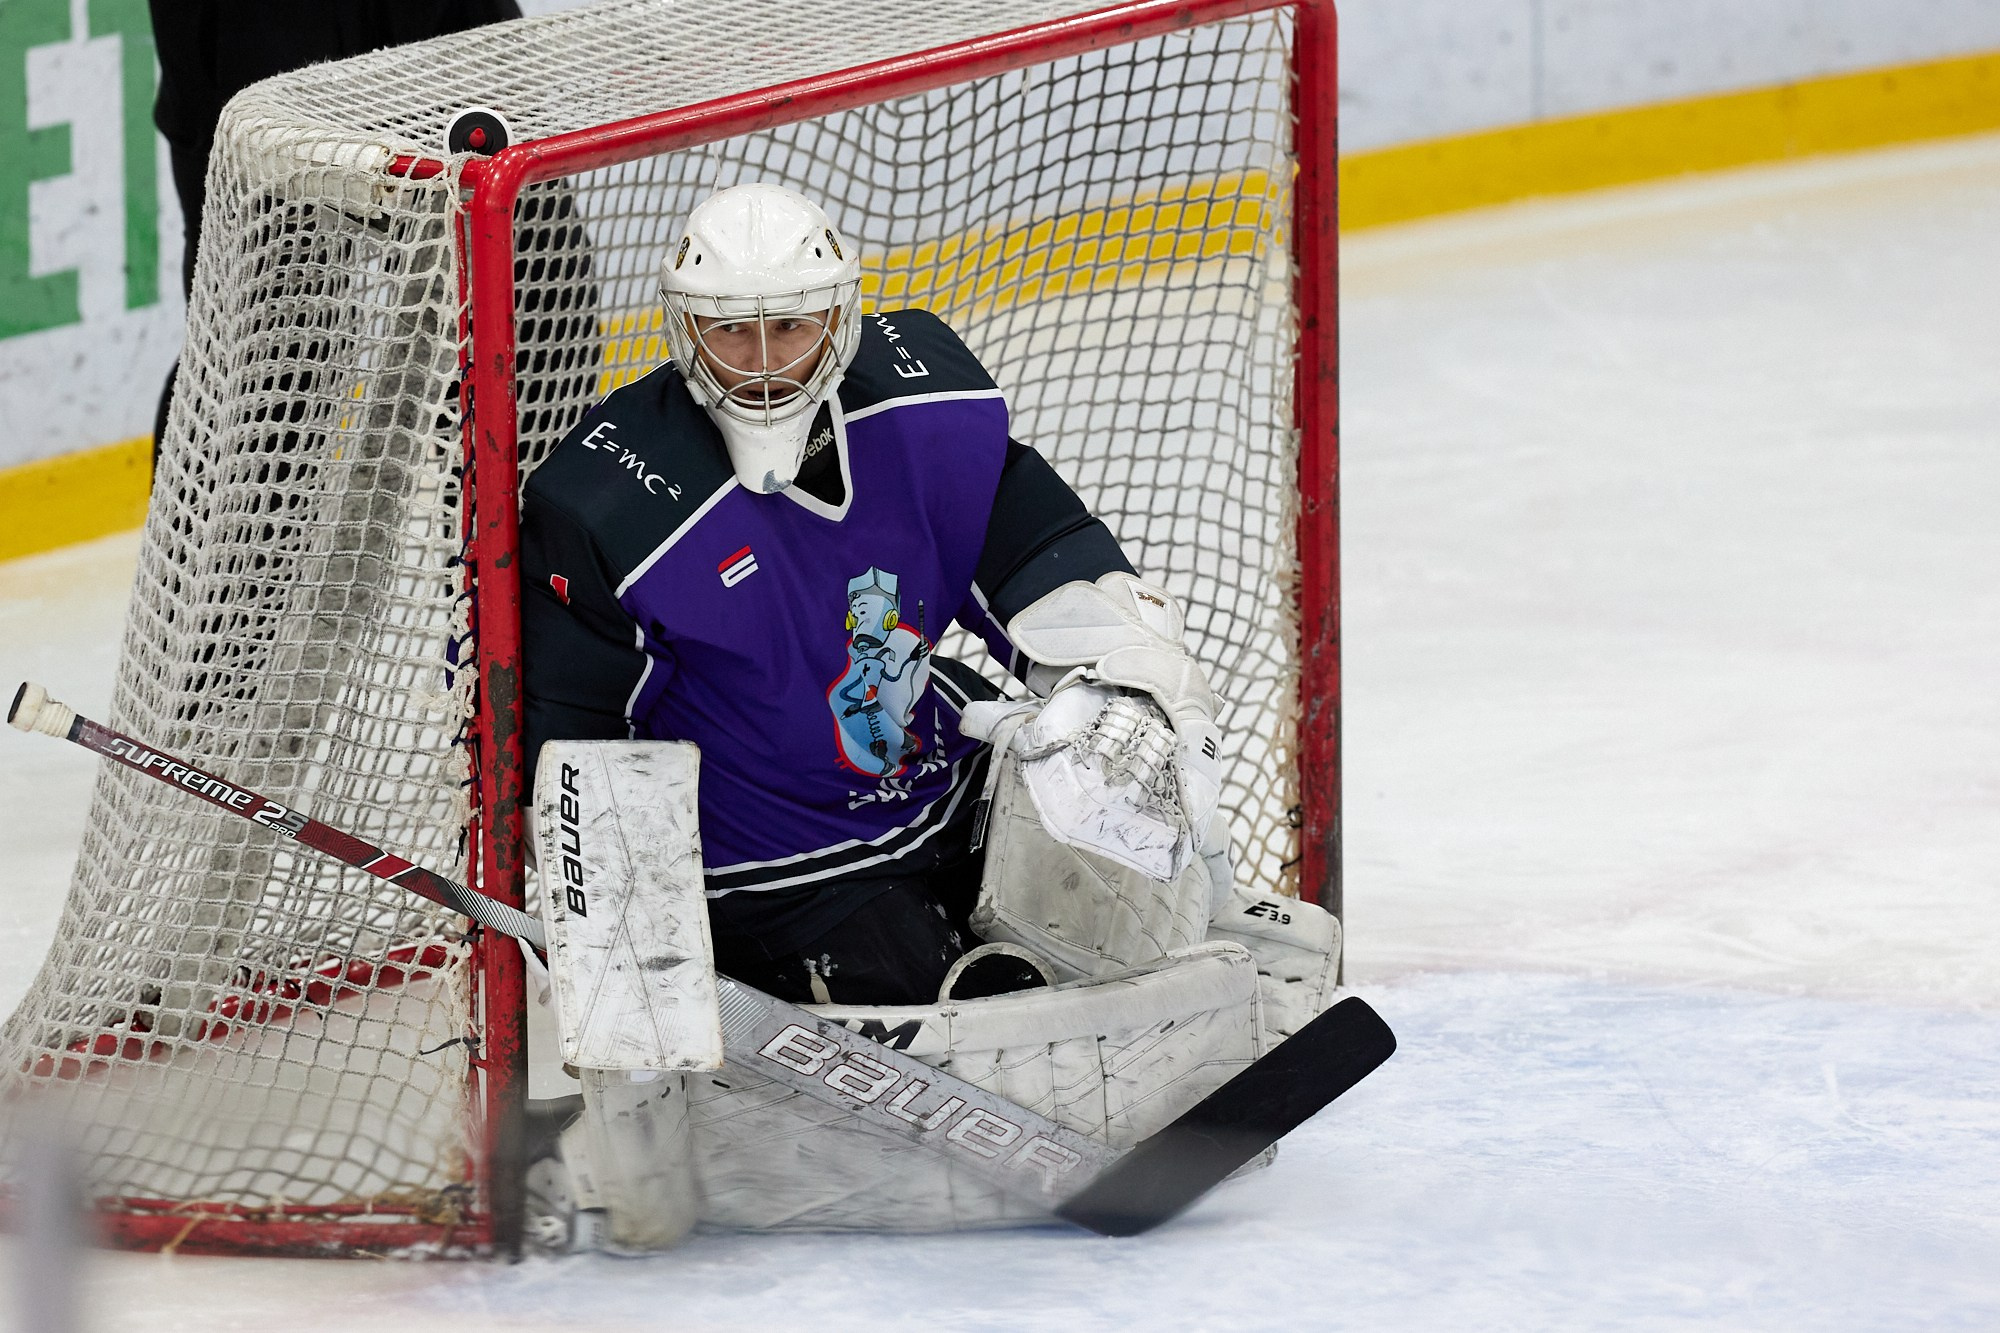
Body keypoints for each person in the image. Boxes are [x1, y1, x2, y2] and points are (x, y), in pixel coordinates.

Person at [519, 182, 1228, 1008]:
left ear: (839, 316)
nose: (763, 363)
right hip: (774, 866)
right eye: (731, 332)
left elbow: (1031, 547)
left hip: (938, 779)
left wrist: (1130, 683)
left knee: (1133, 870)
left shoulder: (926, 408)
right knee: (956, 994)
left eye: (790, 326)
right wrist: (630, 964)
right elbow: (574, 753)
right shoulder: (608, 505)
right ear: (686, 329)